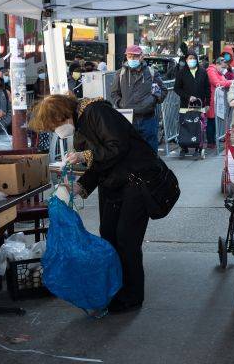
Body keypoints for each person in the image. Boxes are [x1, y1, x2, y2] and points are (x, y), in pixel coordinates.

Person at [30, 95, 165, 313]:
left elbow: (117, 146)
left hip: (137, 179)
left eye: (54, 125)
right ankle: (115, 289)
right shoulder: (80, 126)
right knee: (109, 233)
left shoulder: (95, 112)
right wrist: (80, 186)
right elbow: (99, 165)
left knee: (126, 238)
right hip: (114, 183)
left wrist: (84, 156)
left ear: (63, 115)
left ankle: (132, 296)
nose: (55, 131)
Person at [111, 44, 167, 152]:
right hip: (128, 118)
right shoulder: (120, 73)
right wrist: (120, 104)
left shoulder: (151, 73)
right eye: (129, 56)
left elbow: (163, 91)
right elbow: (114, 93)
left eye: (135, 56)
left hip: (148, 119)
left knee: (150, 151)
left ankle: (151, 169)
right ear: (126, 56)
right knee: (130, 151)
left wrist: (153, 100)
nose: (132, 59)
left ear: (141, 56)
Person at [174, 51, 210, 156]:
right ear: (186, 60)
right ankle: (184, 147)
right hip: (185, 106)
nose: (191, 60)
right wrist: (188, 97)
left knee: (198, 127)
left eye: (193, 58)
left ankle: (198, 147)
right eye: (189, 58)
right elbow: (177, 88)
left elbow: (207, 88)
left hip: (200, 105)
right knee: (185, 126)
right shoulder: (181, 72)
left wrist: (208, 103)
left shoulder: (203, 72)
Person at [206, 57, 232, 148]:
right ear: (218, 64)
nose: (224, 70)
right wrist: (230, 82)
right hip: (212, 99)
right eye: (223, 67)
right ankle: (210, 142)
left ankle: (215, 139)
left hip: (217, 100)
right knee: (211, 120)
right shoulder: (211, 71)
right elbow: (217, 83)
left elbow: (223, 81)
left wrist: (228, 82)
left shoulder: (218, 72)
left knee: (214, 121)